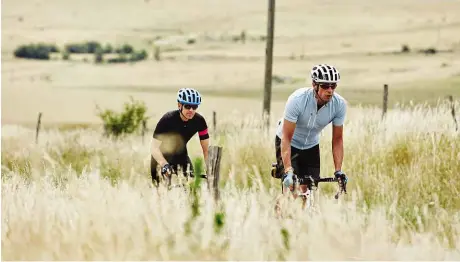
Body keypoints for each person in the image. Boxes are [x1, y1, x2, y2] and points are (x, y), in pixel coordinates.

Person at [272, 63, 349, 202]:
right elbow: (286, 138)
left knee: (309, 192)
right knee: (292, 190)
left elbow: (337, 140)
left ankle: (303, 221)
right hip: (289, 142)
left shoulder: (339, 105)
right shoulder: (297, 100)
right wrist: (288, 170)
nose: (330, 90)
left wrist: (338, 170)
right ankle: (280, 218)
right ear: (314, 85)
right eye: (325, 86)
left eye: (333, 86)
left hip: (311, 145)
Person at [150, 87, 210, 186]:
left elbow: (206, 150)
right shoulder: (167, 120)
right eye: (187, 106)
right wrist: (164, 165)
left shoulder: (199, 121)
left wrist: (210, 169)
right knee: (161, 193)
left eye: (194, 107)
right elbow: (154, 148)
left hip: (181, 156)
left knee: (189, 188)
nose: (191, 110)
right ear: (179, 105)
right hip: (161, 157)